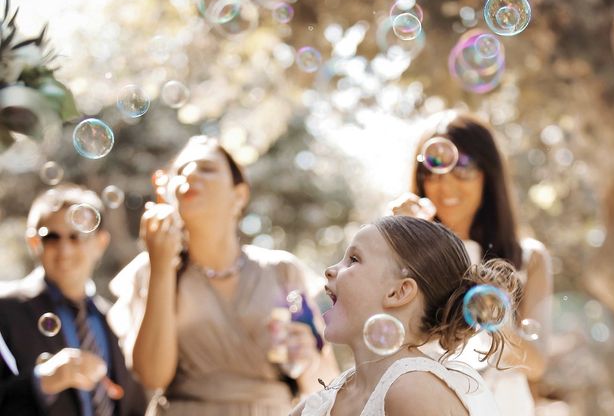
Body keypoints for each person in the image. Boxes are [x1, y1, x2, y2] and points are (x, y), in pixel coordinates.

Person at [108, 135, 339, 415]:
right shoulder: (152, 267)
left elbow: (324, 384)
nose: (190, 174)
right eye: (181, 171)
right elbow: (152, 376)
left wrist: (308, 358)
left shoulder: (281, 271)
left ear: (239, 195)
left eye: (206, 168)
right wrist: (160, 267)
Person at [389, 110, 553, 416]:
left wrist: (491, 318)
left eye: (462, 169)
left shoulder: (530, 259)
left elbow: (537, 364)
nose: (445, 186)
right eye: (432, 171)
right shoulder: (404, 251)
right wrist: (396, 244)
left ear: (488, 175)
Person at [291, 216, 519, 416]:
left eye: (354, 259)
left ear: (398, 292)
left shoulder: (413, 390)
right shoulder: (327, 399)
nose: (330, 270)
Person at [0, 184, 147, 415]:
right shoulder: (5, 310)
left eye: (77, 236)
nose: (64, 250)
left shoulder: (116, 318)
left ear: (100, 243)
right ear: (34, 243)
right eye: (51, 238)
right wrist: (42, 381)